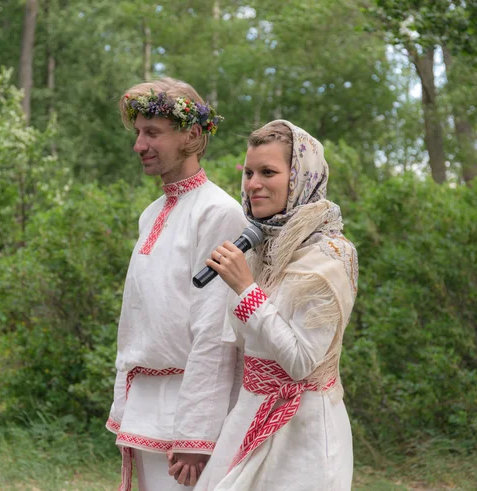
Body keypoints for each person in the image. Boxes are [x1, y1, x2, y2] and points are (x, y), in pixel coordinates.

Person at [182, 120, 358, 490]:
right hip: (246, 416)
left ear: (300, 179)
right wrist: (196, 432)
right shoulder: (263, 249)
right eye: (248, 172)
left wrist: (246, 290)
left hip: (303, 433)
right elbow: (244, 351)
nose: (253, 184)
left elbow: (300, 363)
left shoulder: (330, 256)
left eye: (268, 172)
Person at [106, 77, 248, 490]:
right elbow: (134, 319)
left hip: (187, 411)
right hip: (146, 403)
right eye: (138, 133)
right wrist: (124, 402)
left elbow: (215, 332)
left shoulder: (219, 213)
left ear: (191, 134)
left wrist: (196, 433)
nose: (139, 145)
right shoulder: (150, 214)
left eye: (153, 133)